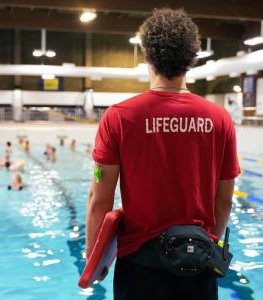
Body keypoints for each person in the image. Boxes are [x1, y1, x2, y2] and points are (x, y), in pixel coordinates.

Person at [85, 8, 240, 300]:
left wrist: (94, 259)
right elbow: (224, 200)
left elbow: (100, 200)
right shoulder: (219, 119)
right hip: (199, 264)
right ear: (192, 58)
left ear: (147, 57)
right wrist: (208, 242)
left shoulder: (119, 117)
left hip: (140, 266)